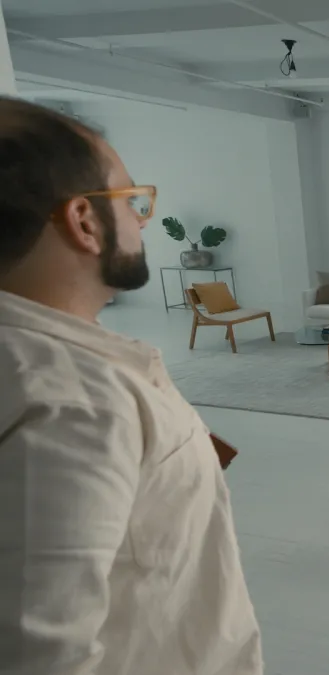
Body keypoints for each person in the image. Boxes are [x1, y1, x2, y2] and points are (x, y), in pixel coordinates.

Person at [0, 97, 263, 674]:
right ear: (84, 222)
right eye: (130, 199)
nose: (143, 218)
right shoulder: (74, 405)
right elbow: (41, 656)